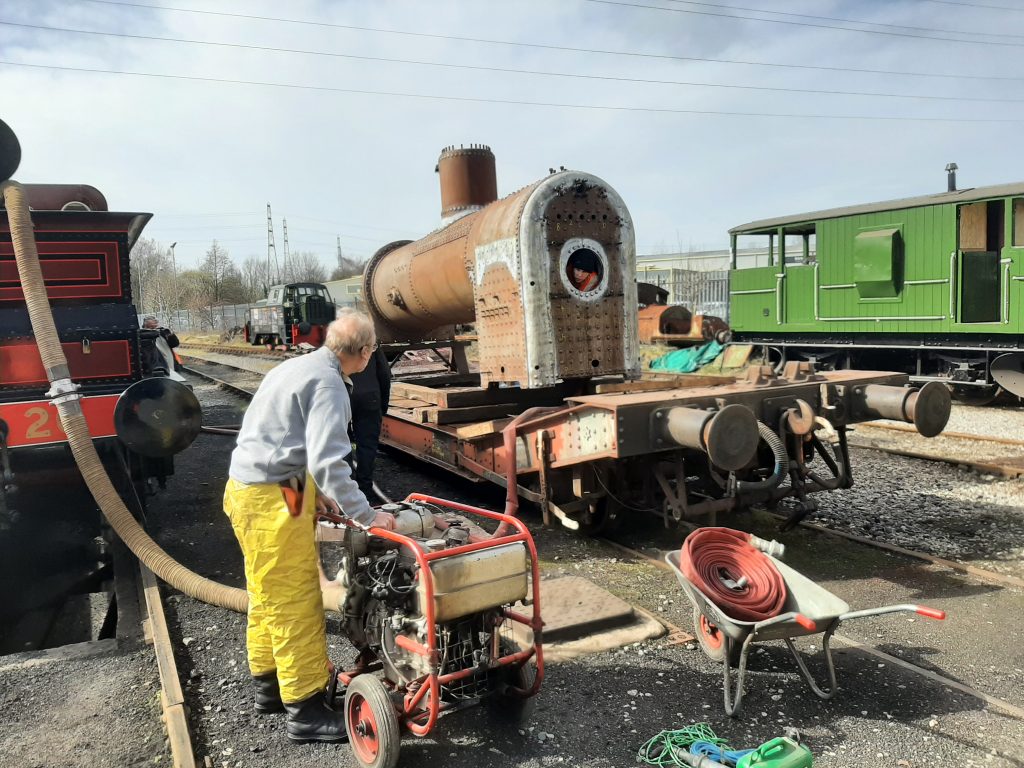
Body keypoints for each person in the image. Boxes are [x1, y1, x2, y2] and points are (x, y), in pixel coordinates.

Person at [223, 308, 396, 744]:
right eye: (372, 351)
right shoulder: (329, 384)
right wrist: (367, 515)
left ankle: (269, 688)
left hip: (256, 488)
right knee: (296, 599)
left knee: (266, 593)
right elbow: (330, 463)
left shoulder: (298, 365)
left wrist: (309, 493)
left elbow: (285, 441)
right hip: (270, 500)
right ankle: (306, 709)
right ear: (364, 352)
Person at [347, 345, 391, 499]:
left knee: (342, 443)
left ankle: (345, 487)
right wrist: (383, 404)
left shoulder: (334, 342)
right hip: (370, 398)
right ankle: (364, 488)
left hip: (343, 395)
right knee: (368, 445)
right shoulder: (370, 343)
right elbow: (385, 374)